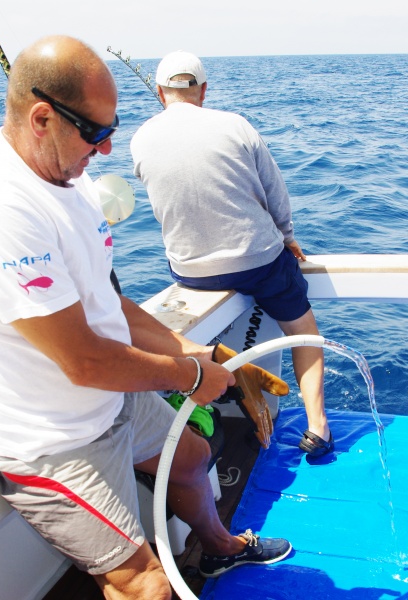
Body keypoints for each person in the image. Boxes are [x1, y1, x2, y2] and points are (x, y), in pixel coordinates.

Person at [0, 36, 291, 599]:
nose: (104, 151)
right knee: (145, 584)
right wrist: (191, 378)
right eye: (94, 133)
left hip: (104, 395)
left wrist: (200, 353)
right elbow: (82, 359)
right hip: (45, 435)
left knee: (191, 458)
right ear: (42, 118)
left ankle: (219, 549)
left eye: (112, 130)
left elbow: (110, 303)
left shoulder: (66, 180)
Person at [130, 50, 333, 457]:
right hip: (258, 261)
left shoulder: (140, 138)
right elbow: (276, 193)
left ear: (159, 92)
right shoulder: (235, 125)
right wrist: (287, 236)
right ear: (203, 90)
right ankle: (318, 427)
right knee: (303, 330)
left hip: (190, 271)